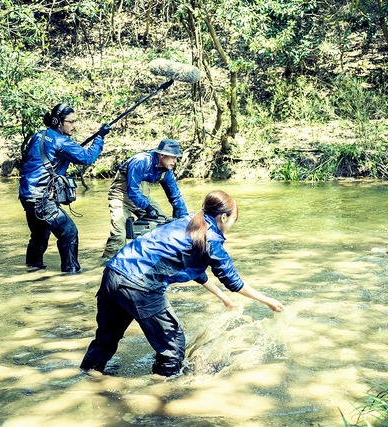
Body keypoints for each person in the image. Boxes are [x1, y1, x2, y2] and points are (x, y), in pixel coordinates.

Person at [81, 190, 284, 377]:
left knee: (106, 338)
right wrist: (268, 301)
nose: (231, 225)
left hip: (113, 275)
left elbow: (193, 269)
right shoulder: (211, 238)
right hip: (140, 285)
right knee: (173, 348)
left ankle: (88, 377)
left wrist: (223, 298)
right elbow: (233, 281)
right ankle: (163, 397)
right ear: (223, 217)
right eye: (233, 220)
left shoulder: (188, 222)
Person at [19, 103, 110, 273]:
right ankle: (71, 275)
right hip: (41, 198)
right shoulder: (61, 141)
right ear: (58, 122)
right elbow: (87, 157)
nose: (74, 126)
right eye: (71, 122)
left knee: (39, 237)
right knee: (69, 232)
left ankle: (33, 273)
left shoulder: (38, 135)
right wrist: (100, 138)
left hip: (26, 196)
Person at [100, 139, 188, 262]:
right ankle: (106, 265)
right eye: (173, 157)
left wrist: (183, 218)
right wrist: (148, 208)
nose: (175, 161)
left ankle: (149, 259)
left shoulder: (166, 171)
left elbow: (175, 196)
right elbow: (132, 190)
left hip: (142, 198)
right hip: (121, 196)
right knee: (119, 235)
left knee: (162, 226)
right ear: (162, 155)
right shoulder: (141, 161)